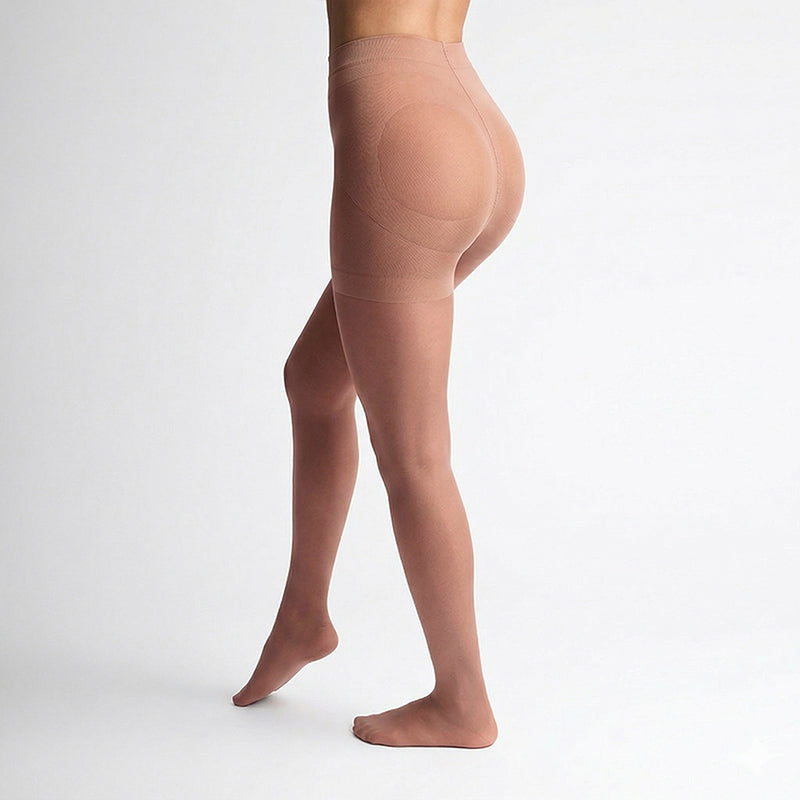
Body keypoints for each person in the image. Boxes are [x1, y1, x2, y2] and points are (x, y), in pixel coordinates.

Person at [233, 0, 525, 748]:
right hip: (474, 121)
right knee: (313, 380)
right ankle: (304, 614)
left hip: (402, 133)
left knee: (416, 457)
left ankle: (462, 702)